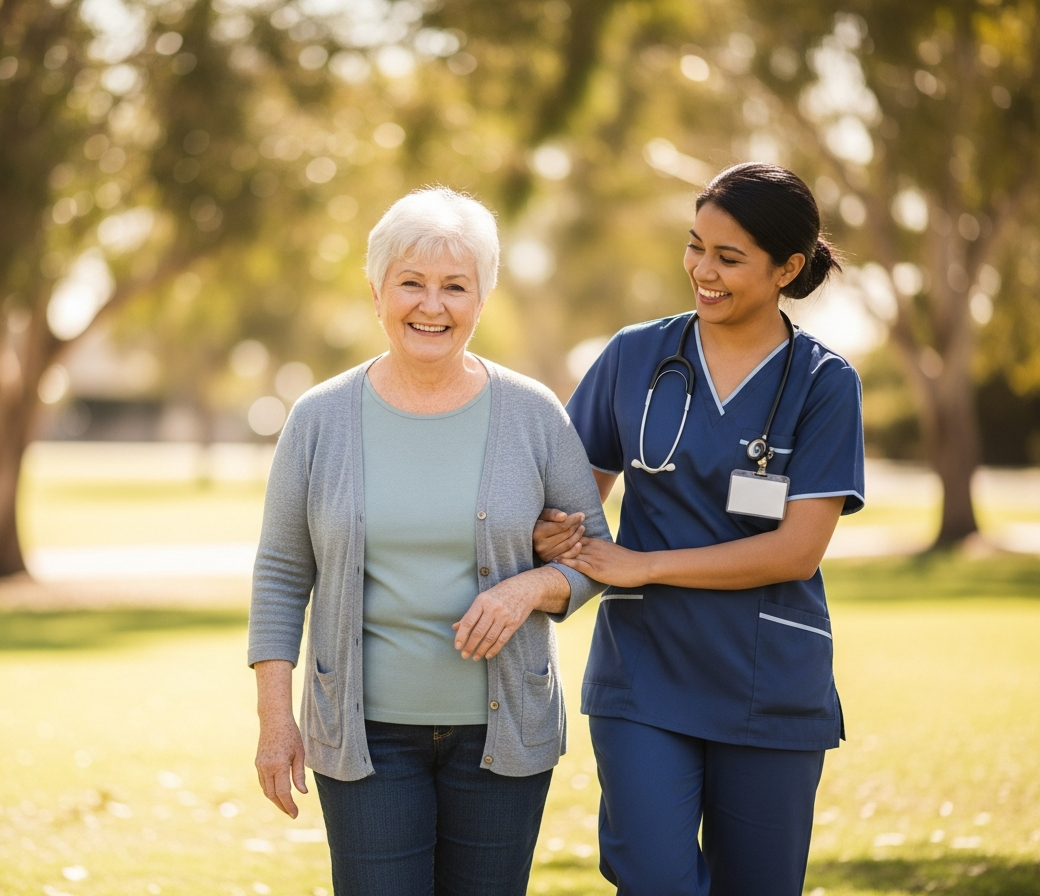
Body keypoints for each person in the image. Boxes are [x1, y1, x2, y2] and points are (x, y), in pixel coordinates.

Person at [247, 187, 611, 896]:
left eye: (455, 286)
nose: (431, 305)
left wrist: (530, 586)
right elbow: (282, 573)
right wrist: (273, 722)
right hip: (365, 738)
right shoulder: (320, 418)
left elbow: (594, 552)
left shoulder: (533, 413)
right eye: (411, 283)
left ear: (483, 297)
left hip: (501, 738)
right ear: (377, 290)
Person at [534, 162, 863, 896]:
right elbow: (572, 500)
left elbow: (796, 550)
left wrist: (644, 565)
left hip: (767, 678)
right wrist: (554, 533)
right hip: (645, 675)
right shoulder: (633, 357)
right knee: (652, 878)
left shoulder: (824, 384)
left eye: (728, 257)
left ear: (788, 268)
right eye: (695, 246)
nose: (702, 271)